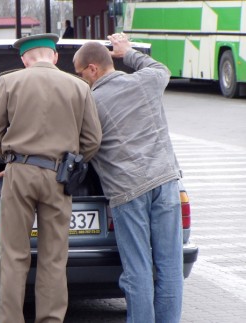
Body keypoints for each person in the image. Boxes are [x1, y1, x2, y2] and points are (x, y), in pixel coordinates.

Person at [0, 33, 102, 323]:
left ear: (24, 59)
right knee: (53, 257)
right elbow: (93, 140)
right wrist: (71, 165)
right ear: (54, 57)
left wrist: (12, 160)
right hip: (59, 177)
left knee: (13, 255)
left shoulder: (9, 82)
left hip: (19, 174)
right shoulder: (79, 87)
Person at [73, 34, 184, 323]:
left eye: (79, 72)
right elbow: (162, 69)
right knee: (170, 266)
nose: (79, 79)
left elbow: (80, 147)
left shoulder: (90, 103)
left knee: (138, 269)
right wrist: (129, 52)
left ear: (93, 69)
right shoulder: (144, 81)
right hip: (166, 182)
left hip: (127, 192)